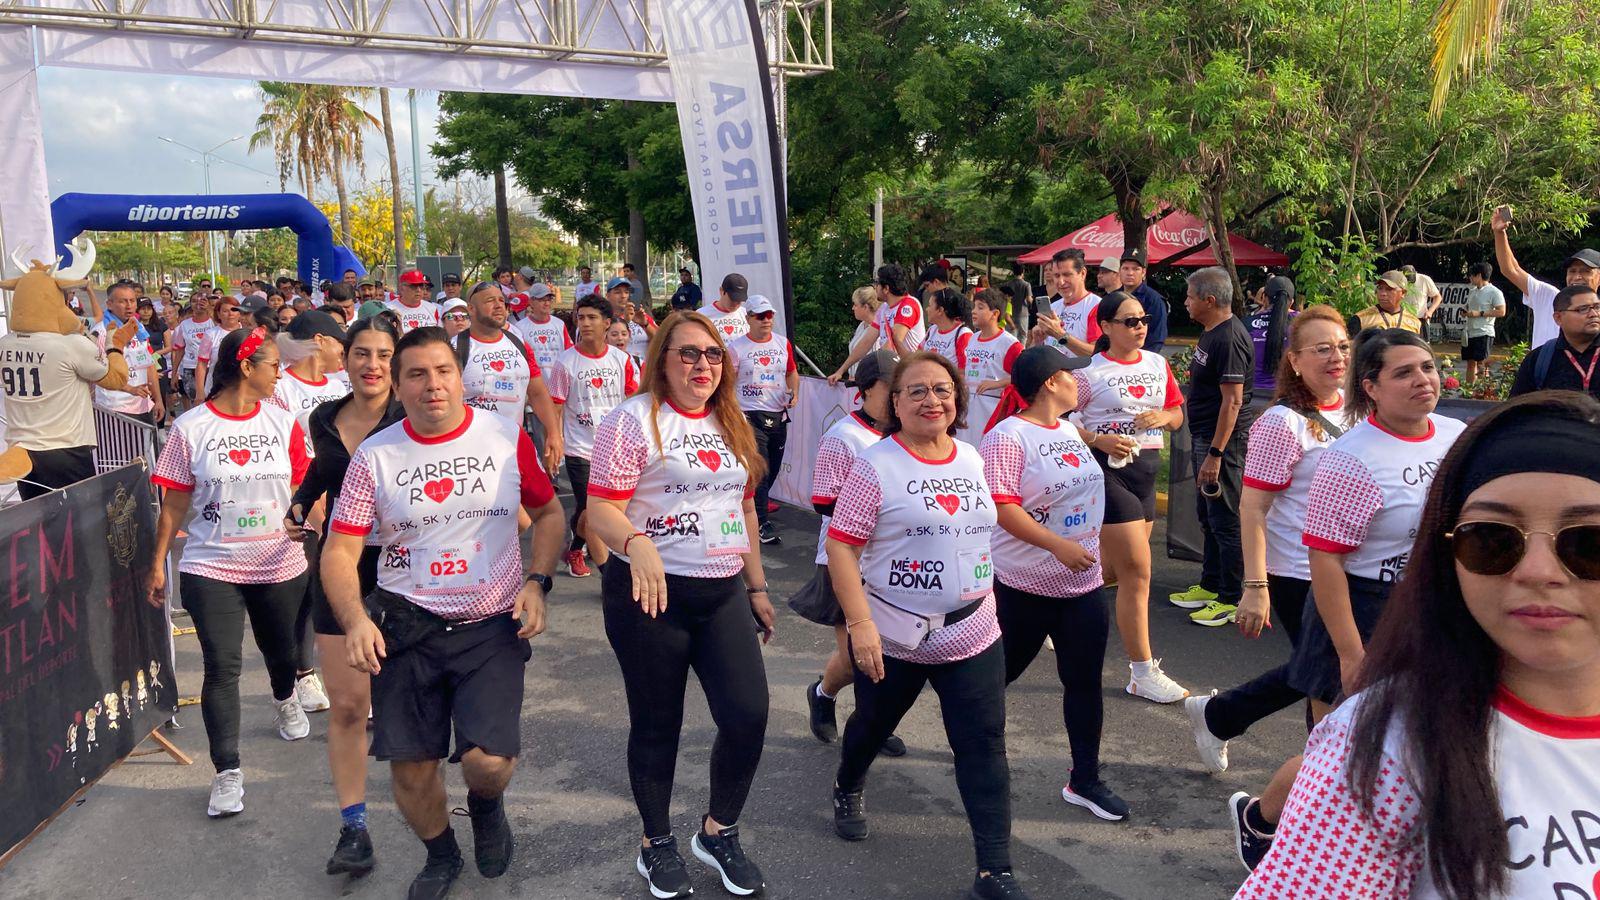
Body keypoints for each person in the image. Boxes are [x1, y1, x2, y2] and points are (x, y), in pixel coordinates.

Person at [1237, 392, 1600, 898]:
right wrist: (1341, 646)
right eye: (1492, 540)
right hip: (1358, 601)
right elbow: (1317, 549)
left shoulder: (1445, 434)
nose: (1539, 572)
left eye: (1590, 544)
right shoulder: (1388, 749)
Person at [322, 326, 564, 900]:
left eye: (444, 371)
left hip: (490, 626)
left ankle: (485, 806)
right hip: (407, 627)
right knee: (410, 769)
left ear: (461, 377)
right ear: (398, 388)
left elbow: (550, 515)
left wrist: (538, 580)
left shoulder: (503, 436)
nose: (433, 385)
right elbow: (340, 549)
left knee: (489, 762)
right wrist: (356, 620)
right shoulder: (376, 458)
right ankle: (441, 854)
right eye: (417, 375)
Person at [1231, 328, 1465, 871]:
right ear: (1372, 387)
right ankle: (1263, 820)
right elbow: (1327, 562)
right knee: (1338, 754)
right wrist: (1351, 653)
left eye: (1427, 368)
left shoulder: (1455, 436)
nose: (1422, 380)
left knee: (1426, 736)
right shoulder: (1350, 458)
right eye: (1403, 372)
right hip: (1358, 608)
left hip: (1428, 607)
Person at [586, 311, 775, 900]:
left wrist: (757, 587)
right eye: (688, 354)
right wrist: (635, 543)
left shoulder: (733, 421)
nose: (702, 365)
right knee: (657, 723)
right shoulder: (633, 420)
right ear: (662, 360)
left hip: (720, 592)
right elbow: (600, 510)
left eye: (712, 354)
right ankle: (655, 843)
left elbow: (743, 509)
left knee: (747, 715)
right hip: (650, 595)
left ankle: (718, 832)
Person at [825, 351, 1028, 900]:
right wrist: (860, 623)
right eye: (915, 391)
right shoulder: (876, 464)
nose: (931, 400)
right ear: (894, 402)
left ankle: (995, 870)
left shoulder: (972, 457)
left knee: (984, 745)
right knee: (871, 724)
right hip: (895, 635)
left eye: (941, 389)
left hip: (974, 631)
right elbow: (842, 546)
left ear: (957, 399)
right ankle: (848, 783)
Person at [146, 327, 312, 818]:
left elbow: (305, 489)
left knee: (281, 651)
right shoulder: (191, 428)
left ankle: (285, 697)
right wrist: (158, 562)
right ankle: (227, 772)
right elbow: (173, 504)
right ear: (246, 367)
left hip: (280, 562)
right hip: (210, 565)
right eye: (273, 365)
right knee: (223, 666)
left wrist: (316, 531)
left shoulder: (285, 423)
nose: (280, 373)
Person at [1183, 305, 1350, 774]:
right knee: (1331, 671)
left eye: (1341, 347)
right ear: (1294, 361)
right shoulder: (1282, 423)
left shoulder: (1362, 410)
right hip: (1299, 569)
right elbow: (1253, 507)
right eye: (1321, 349)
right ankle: (1320, 784)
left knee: (1325, 667)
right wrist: (1255, 588)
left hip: (1350, 565)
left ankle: (1220, 715)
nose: (1336, 357)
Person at [980, 346, 1129, 821]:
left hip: (1081, 588)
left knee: (1084, 683)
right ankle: (974, 750)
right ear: (1049, 382)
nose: (1076, 382)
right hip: (1022, 589)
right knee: (991, 680)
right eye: (1070, 375)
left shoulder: (1067, 429)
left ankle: (1085, 778)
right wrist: (1056, 546)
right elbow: (1002, 508)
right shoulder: (1007, 438)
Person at [285, 315, 404, 878]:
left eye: (384, 354)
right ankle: (354, 827)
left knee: (417, 704)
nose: (373, 365)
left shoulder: (414, 415)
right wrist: (299, 502)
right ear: (345, 357)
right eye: (362, 353)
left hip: (411, 572)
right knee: (351, 707)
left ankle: (462, 805)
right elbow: (324, 473)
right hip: (341, 568)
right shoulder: (324, 416)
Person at [1065, 292, 1190, 699]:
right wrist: (1099, 439)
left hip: (1146, 474)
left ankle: (1040, 602)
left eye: (1143, 320)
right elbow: (1059, 422)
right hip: (1108, 474)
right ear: (1106, 327)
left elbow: (1177, 413)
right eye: (1130, 321)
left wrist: (1163, 417)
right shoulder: (1089, 374)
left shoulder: (1158, 363)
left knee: (1113, 571)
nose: (1139, 327)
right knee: (1138, 571)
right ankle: (1141, 672)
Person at [792, 350, 906, 757]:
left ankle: (869, 720)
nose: (898, 396)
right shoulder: (844, 437)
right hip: (845, 558)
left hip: (892, 559)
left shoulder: (903, 434)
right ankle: (826, 695)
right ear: (867, 388)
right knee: (857, 654)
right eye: (892, 387)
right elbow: (823, 501)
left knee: (886, 652)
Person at [270, 309, 355, 714]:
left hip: (346, 497)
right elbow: (283, 449)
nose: (345, 349)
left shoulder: (342, 384)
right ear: (320, 342)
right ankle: (301, 675)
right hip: (303, 499)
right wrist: (308, 504)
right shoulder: (282, 387)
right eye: (340, 340)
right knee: (304, 592)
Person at [1170, 267, 1255, 624]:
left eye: (1190, 296)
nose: (1185, 302)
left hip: (1224, 444)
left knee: (1225, 518)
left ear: (1209, 300)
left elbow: (1232, 403)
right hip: (1205, 436)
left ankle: (1231, 597)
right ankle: (1210, 583)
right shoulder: (1210, 332)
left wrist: (1217, 455)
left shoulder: (1230, 338)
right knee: (1207, 516)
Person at [545, 294, 640, 578]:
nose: (585, 323)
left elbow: (634, 401)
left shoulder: (622, 360)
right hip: (581, 449)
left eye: (592, 318)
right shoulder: (566, 362)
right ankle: (608, 574)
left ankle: (575, 545)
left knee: (604, 511)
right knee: (593, 510)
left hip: (617, 449)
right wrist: (555, 440)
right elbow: (556, 406)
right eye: (581, 317)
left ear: (606, 323)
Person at [452, 280, 564, 473]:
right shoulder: (454, 348)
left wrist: (553, 433)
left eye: (501, 300)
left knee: (540, 502)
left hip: (514, 449)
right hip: (471, 455)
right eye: (489, 301)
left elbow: (537, 393)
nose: (498, 306)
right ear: (471, 308)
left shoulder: (519, 342)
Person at [728, 295, 799, 546]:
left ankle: (746, 510)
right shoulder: (737, 347)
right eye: (760, 316)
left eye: (769, 315)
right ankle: (760, 522)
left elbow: (792, 373)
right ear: (748, 319)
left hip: (778, 414)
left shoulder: (782, 343)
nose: (766, 320)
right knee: (760, 470)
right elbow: (727, 382)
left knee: (773, 469)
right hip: (749, 415)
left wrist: (794, 393)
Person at [827, 264, 927, 381]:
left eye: (877, 283)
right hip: (895, 372)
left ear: (886, 288)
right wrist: (841, 371)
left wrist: (871, 370)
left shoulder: (908, 305)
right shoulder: (884, 308)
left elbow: (892, 344)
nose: (875, 287)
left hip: (911, 374)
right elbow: (866, 342)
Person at [1510, 284, 1600, 399]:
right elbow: (1516, 409)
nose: (1594, 314)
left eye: (1597, 307)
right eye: (1583, 309)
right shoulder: (1540, 358)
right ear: (1558, 318)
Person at [92, 280, 163, 425]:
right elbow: (96, 372)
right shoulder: (102, 332)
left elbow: (149, 365)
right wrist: (129, 389)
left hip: (143, 404)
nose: (129, 305)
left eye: (132, 301)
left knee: (145, 447)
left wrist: (158, 399)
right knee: (119, 448)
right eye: (123, 301)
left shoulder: (138, 329)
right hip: (114, 406)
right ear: (109, 304)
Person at [1031, 251, 1101, 358]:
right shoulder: (1053, 307)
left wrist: (1060, 334)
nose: (1061, 281)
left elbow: (1097, 354)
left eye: (1067, 275)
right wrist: (1038, 342)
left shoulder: (1096, 306)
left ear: (1082, 273)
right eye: (1057, 275)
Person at [1245, 276, 1295, 400]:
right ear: (1291, 302)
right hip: (1286, 400)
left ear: (1264, 299)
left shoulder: (1246, 324)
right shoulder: (1301, 325)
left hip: (1248, 397)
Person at [965, 287, 1022, 397]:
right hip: (970, 408)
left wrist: (997, 384)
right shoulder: (972, 338)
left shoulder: (1010, 344)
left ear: (995, 314)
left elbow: (1022, 376)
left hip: (995, 408)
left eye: (980, 307)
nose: (973, 311)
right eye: (974, 307)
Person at [509, 283, 572, 374]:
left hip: (558, 381)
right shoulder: (520, 327)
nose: (547, 303)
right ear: (531, 301)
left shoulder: (559, 324)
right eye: (542, 300)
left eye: (549, 299)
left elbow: (569, 352)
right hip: (534, 382)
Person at [1461, 261, 1506, 382]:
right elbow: (1468, 306)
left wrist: (1480, 313)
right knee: (1470, 363)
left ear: (1479, 275)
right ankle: (1469, 390)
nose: (1470, 278)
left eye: (1472, 275)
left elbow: (1501, 311)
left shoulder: (1494, 292)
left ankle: (1483, 392)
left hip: (1484, 332)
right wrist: (1465, 311)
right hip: (1470, 332)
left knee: (1481, 363)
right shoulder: (1472, 291)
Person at [194, 295, 242, 399]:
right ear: (218, 314)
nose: (230, 314)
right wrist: (200, 392)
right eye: (225, 311)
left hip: (242, 389)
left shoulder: (248, 332)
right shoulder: (210, 335)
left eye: (234, 310)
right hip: (216, 389)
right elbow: (202, 364)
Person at [1120, 251, 1168, 354]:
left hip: (1140, 360)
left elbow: (1156, 339)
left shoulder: (1154, 300)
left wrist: (1141, 363)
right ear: (1119, 271)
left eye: (1135, 269)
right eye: (1125, 268)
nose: (1130, 273)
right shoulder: (1113, 297)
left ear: (1143, 272)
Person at [1348, 271, 1423, 337]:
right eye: (1380, 288)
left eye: (1389, 289)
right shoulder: (1361, 319)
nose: (1382, 293)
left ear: (1403, 293)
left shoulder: (1414, 323)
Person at [921, 287, 974, 373]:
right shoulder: (932, 330)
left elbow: (964, 372)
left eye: (930, 305)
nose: (927, 309)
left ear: (940, 310)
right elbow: (917, 356)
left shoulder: (963, 334)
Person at [173, 292, 213, 402]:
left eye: (201, 301)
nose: (198, 304)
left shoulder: (213, 322)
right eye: (194, 301)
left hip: (210, 367)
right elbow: (180, 350)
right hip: (190, 368)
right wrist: (174, 373)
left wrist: (209, 309)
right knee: (196, 401)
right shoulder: (184, 325)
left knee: (212, 401)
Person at [608, 277, 658, 361]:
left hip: (643, 369)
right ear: (608, 296)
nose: (623, 296)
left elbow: (660, 340)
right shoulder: (604, 319)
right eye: (617, 292)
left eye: (626, 292)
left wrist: (645, 324)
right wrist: (625, 321)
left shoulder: (641, 316)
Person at [698, 272, 751, 342]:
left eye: (739, 300)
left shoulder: (747, 314)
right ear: (721, 291)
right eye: (733, 299)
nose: (735, 303)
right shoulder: (702, 315)